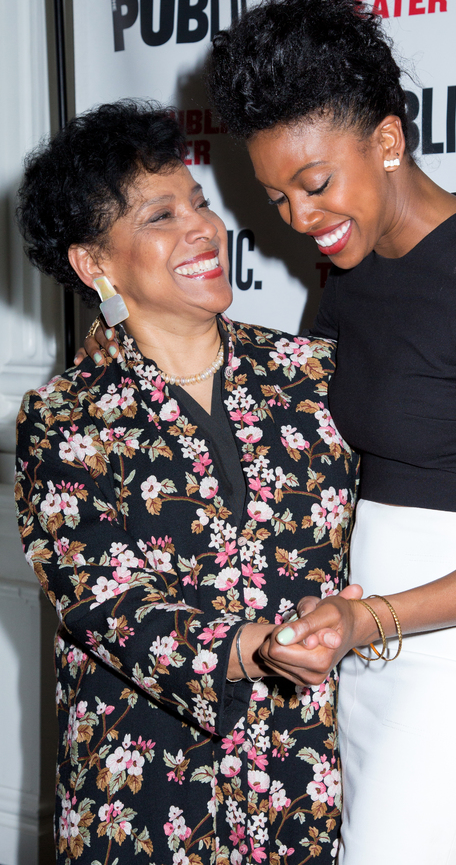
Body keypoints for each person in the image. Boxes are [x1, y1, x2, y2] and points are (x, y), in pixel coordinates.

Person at [203, 0, 456, 865]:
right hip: (376, 658)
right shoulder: (348, 280)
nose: (300, 219)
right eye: (278, 199)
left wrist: (371, 618)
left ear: (386, 141)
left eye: (314, 183)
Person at [14, 100, 359, 865]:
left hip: (295, 784)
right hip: (142, 799)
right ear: (94, 264)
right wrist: (253, 647)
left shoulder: (309, 373)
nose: (203, 228)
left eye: (199, 202)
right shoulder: (66, 420)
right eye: (161, 216)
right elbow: (102, 603)